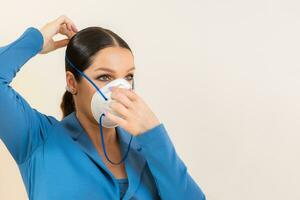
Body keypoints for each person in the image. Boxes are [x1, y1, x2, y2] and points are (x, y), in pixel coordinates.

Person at [0, 15, 206, 200]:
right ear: (72, 83)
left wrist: (154, 137)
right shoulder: (38, 139)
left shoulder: (147, 149)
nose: (120, 89)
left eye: (128, 77)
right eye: (104, 77)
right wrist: (36, 40)